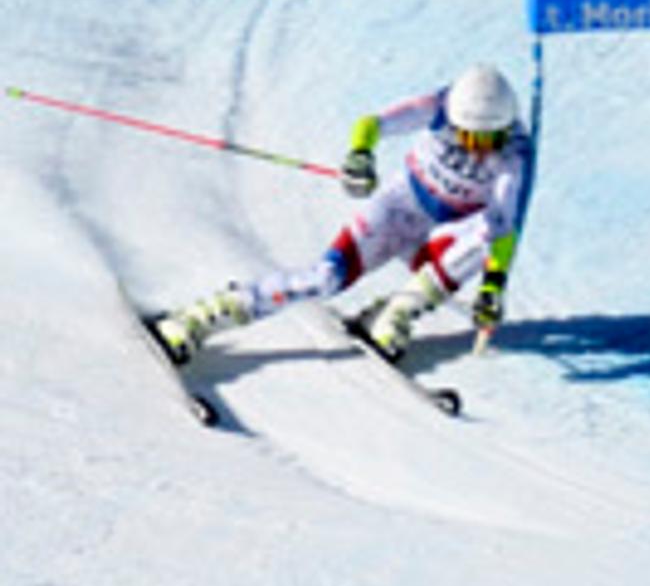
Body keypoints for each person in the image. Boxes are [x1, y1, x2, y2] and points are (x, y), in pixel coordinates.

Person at [150, 63, 531, 366]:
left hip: (440, 237)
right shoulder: (438, 109)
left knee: (486, 234)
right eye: (470, 138)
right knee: (326, 278)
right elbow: (372, 124)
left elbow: (503, 226)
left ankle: (393, 314)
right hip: (400, 208)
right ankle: (198, 317)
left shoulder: (515, 154)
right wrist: (360, 156)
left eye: (490, 139)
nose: (480, 150)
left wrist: (492, 286)